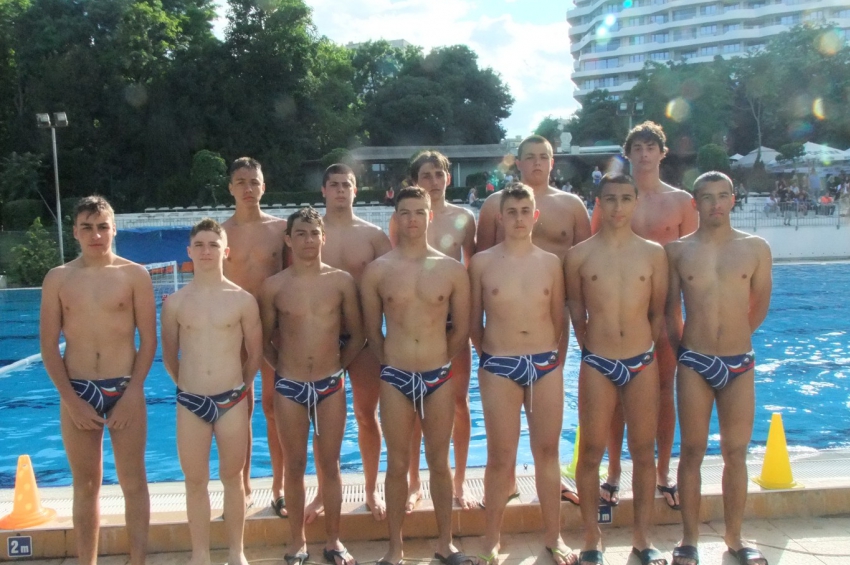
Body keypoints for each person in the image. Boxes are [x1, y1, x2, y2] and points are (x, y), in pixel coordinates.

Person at [360, 187, 473, 565]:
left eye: (419, 212)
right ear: (395, 218)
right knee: (396, 464)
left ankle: (445, 544)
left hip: (437, 375)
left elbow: (461, 330)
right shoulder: (378, 271)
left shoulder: (451, 270)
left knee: (439, 462)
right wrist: (393, 362)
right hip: (395, 376)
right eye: (405, 213)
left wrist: (438, 358)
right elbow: (372, 332)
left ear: (430, 216)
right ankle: (395, 549)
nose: (412, 219)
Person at [40, 196, 155, 565]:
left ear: (114, 229)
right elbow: (48, 346)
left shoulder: (135, 275)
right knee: (86, 484)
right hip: (78, 388)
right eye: (87, 227)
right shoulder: (58, 278)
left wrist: (133, 393)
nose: (96, 234)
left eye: (102, 226)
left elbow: (149, 341)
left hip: (124, 386)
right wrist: (70, 400)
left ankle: (137, 560)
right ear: (75, 232)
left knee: (133, 481)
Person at [476, 134, 591, 502]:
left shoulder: (571, 206)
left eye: (544, 156)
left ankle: (552, 481)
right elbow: (482, 265)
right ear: (518, 162)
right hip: (505, 325)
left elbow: (585, 264)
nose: (537, 162)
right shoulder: (496, 205)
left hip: (553, 314)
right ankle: (506, 480)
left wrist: (582, 318)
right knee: (504, 421)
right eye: (530, 157)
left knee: (547, 413)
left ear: (552, 162)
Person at [589, 121, 698, 510]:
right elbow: (595, 249)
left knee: (666, 390)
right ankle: (614, 471)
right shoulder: (614, 199)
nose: (644, 154)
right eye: (637, 147)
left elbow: (693, 258)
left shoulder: (681, 201)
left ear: (662, 153)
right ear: (629, 154)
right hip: (624, 310)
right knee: (617, 393)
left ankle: (663, 472)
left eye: (651, 147)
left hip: (667, 310)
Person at [666, 171, 772, 565]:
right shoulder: (677, 251)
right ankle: (689, 539)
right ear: (695, 203)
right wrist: (684, 351)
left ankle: (735, 537)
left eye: (722, 196)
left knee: (736, 452)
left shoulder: (755, 248)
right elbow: (670, 311)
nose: (715, 204)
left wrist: (735, 337)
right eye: (707, 197)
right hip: (694, 361)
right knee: (691, 450)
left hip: (738, 361)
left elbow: (759, 304)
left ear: (733, 200)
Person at [469, 184, 576, 565]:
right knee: (500, 456)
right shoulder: (482, 263)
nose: (518, 218)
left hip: (544, 363)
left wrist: (554, 360)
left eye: (524, 211)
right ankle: (491, 540)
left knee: (547, 452)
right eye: (511, 212)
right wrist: (490, 358)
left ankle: (554, 536)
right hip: (499, 364)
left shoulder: (551, 263)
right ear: (500, 218)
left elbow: (559, 317)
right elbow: (474, 322)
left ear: (536, 215)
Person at [565, 174, 668, 565]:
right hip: (597, 360)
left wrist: (643, 346)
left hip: (641, 360)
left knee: (643, 451)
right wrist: (591, 346)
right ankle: (592, 538)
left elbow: (657, 311)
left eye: (626, 198)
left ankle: (642, 538)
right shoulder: (580, 256)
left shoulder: (653, 254)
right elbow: (577, 310)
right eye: (610, 199)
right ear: (599, 203)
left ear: (635, 202)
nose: (618, 207)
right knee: (590, 451)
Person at [259, 208, 364, 565]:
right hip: (290, 386)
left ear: (323, 238)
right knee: (294, 465)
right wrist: (283, 369)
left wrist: (337, 367)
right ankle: (297, 542)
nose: (308, 240)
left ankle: (334, 541)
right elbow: (264, 340)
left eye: (314, 233)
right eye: (300, 234)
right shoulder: (274, 286)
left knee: (330, 465)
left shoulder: (341, 282)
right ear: (288, 240)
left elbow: (358, 334)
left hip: (330, 384)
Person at [161, 219, 262, 565]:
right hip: (191, 401)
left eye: (213, 245)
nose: (206, 251)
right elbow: (169, 355)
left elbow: (255, 354)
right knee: (195, 481)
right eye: (200, 245)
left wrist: (240, 387)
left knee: (232, 478)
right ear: (189, 252)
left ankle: (237, 552)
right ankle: (200, 555)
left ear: (225, 251)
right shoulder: (175, 303)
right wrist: (188, 385)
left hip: (231, 399)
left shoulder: (243, 300)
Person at [389, 151, 478, 511]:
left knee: (459, 402)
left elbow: (472, 269)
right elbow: (398, 269)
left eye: (439, 174)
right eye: (426, 176)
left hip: (451, 319)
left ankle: (459, 481)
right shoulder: (403, 220)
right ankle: (413, 482)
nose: (434, 181)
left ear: (448, 178)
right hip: (416, 321)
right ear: (414, 182)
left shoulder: (463, 218)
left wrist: (470, 323)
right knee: (412, 404)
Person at [306, 163, 392, 522]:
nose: (341, 190)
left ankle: (371, 488)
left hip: (366, 337)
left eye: (347, 184)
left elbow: (394, 286)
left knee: (366, 415)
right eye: (334, 184)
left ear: (355, 191)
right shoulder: (310, 235)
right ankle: (323, 492)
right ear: (324, 190)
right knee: (322, 423)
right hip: (321, 337)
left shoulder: (373, 236)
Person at [221, 157, 289, 513]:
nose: (248, 188)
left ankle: (279, 486)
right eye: (241, 182)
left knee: (274, 407)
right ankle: (243, 487)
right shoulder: (220, 233)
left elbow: (294, 277)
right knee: (238, 409)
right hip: (235, 330)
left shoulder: (281, 230)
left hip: (274, 327)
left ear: (264, 186)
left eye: (254, 182)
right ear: (230, 188)